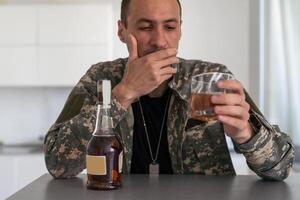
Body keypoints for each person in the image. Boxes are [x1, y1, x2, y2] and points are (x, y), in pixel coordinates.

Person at [44, 0, 295, 180]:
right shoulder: (101, 79)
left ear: (180, 29)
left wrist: (247, 134)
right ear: (122, 31)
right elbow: (57, 164)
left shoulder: (209, 78)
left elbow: (281, 168)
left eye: (170, 27)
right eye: (145, 27)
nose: (160, 41)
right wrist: (124, 94)